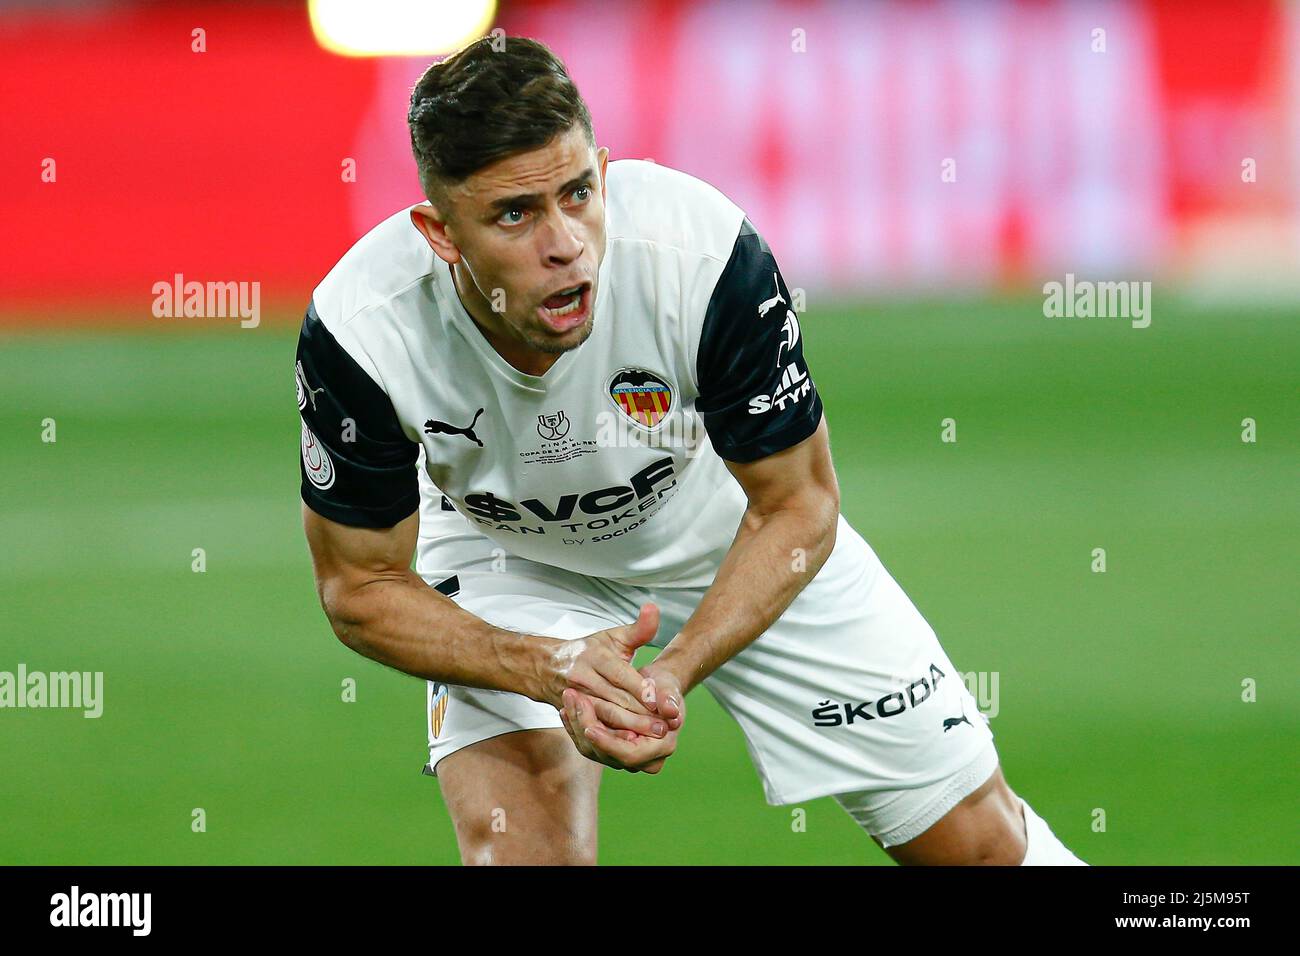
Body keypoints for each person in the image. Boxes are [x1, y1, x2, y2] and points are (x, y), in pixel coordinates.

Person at [296, 35, 1086, 866]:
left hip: (729, 534)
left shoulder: (701, 257)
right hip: (508, 557)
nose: (565, 243)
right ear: (440, 232)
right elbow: (360, 586)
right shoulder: (363, 331)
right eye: (515, 214)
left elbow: (799, 504)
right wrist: (545, 666)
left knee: (979, 849)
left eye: (578, 193)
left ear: (604, 170)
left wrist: (672, 671)